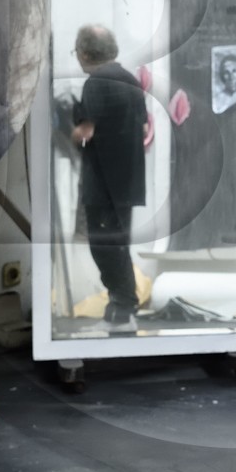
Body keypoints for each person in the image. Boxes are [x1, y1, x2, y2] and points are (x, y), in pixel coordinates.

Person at [71, 25, 147, 332]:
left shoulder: (96, 83)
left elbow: (85, 133)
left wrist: (66, 128)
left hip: (103, 184)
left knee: (104, 248)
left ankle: (122, 313)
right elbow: (143, 129)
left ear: (86, 53)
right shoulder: (130, 80)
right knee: (118, 245)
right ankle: (121, 313)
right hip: (127, 182)